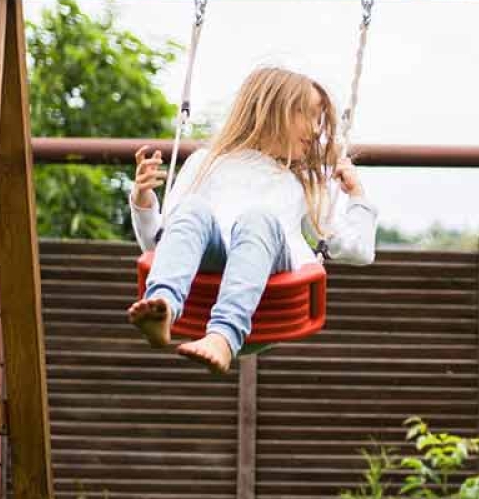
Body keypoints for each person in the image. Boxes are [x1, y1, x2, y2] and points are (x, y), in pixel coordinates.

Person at [128, 66, 379, 374]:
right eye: (307, 115)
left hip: (273, 283)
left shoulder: (304, 182)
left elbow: (359, 250)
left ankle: (223, 336)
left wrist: (356, 196)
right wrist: (142, 200)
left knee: (257, 218)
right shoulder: (205, 163)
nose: (316, 130)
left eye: (320, 120)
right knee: (192, 208)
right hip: (210, 266)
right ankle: (162, 307)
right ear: (270, 110)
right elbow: (163, 242)